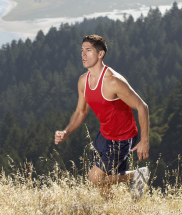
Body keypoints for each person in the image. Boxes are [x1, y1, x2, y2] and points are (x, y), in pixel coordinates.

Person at [54, 34, 150, 200]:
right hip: (104, 135)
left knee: (96, 177)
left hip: (123, 137)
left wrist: (145, 141)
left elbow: (142, 107)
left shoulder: (112, 81)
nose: (83, 55)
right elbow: (80, 112)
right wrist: (66, 132)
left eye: (88, 50)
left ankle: (138, 175)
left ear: (100, 54)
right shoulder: (83, 81)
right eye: (82, 50)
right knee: (102, 184)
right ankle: (111, 208)